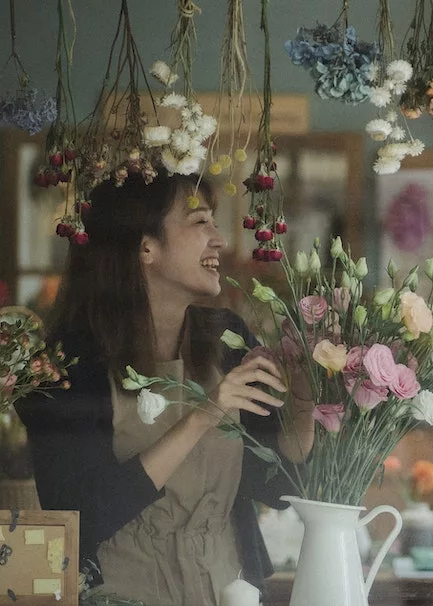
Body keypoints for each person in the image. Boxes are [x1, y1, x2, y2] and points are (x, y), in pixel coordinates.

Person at [15, 171, 316, 605]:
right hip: (116, 593)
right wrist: (206, 414)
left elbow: (277, 488)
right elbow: (82, 516)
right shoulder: (67, 361)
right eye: (200, 223)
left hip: (226, 588)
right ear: (145, 247)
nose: (219, 240)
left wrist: (305, 402)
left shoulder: (228, 338)